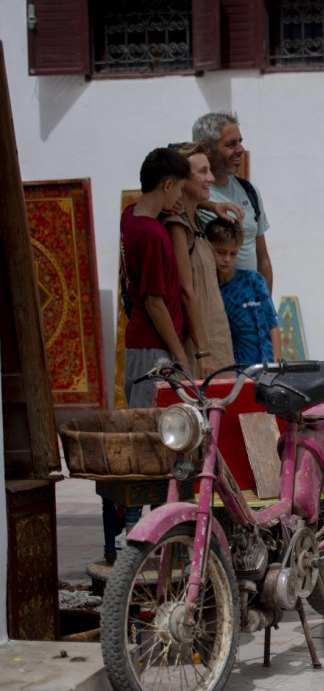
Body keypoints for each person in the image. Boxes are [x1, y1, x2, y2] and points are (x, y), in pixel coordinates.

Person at [109, 147, 189, 562]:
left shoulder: (130, 217)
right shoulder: (153, 235)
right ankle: (133, 537)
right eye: (179, 189)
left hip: (140, 343)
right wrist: (180, 357)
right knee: (151, 440)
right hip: (153, 348)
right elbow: (155, 302)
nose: (180, 200)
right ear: (167, 184)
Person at [166, 143, 234, 378]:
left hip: (217, 341)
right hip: (200, 350)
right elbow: (186, 291)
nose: (211, 178)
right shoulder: (178, 225)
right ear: (182, 179)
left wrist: (212, 205)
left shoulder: (195, 220)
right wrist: (203, 353)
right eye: (203, 172)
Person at [193, 112, 274, 292]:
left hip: (249, 310)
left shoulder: (249, 191)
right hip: (212, 308)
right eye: (231, 144)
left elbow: (263, 258)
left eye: (240, 141)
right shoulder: (192, 195)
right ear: (206, 149)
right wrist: (211, 206)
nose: (240, 149)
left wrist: (265, 310)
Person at [206, 218, 281, 366]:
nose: (227, 259)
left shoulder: (254, 281)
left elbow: (272, 325)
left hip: (266, 367)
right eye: (221, 252)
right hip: (235, 370)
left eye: (233, 254)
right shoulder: (212, 290)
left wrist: (277, 365)